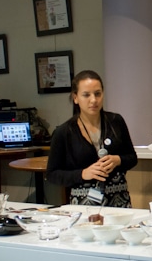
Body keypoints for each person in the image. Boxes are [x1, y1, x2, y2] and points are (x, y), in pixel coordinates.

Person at [46, 70, 138, 207]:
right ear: (75, 98)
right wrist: (83, 174)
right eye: (86, 95)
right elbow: (52, 174)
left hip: (119, 201)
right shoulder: (64, 132)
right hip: (84, 204)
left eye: (97, 94)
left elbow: (132, 158)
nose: (93, 100)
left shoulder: (116, 121)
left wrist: (118, 160)